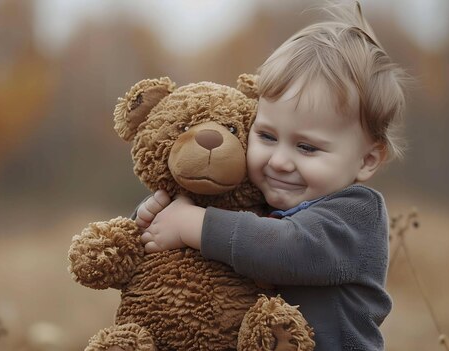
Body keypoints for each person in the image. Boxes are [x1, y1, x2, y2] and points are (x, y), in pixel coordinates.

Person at [135, 2, 407, 350]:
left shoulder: (357, 216)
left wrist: (193, 224)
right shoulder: (258, 202)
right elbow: (183, 254)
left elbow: (287, 248)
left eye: (307, 148)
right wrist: (157, 217)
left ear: (367, 160)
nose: (279, 161)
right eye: (266, 136)